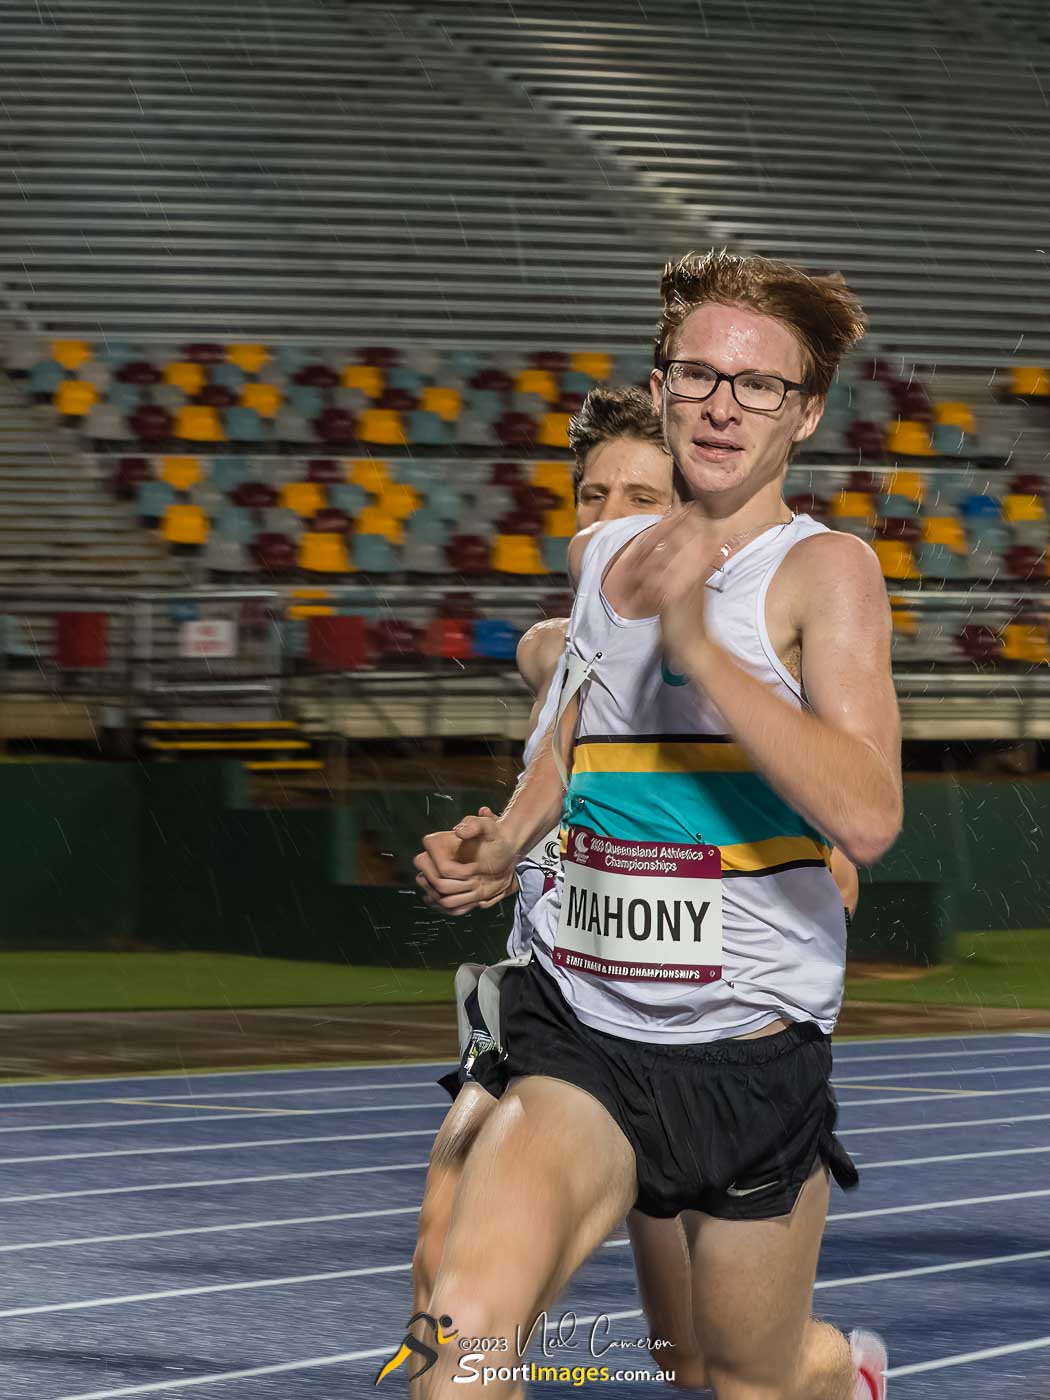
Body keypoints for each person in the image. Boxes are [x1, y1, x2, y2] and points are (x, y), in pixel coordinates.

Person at [414, 249, 901, 1400]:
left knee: (741, 1376)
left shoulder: (825, 572)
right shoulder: (605, 558)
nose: (724, 404)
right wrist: (504, 844)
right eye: (699, 375)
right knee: (458, 1354)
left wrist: (703, 651)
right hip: (586, 1034)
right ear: (664, 381)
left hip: (749, 1055)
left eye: (761, 384)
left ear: (807, 411)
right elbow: (572, 747)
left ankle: (847, 1377)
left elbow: (872, 812)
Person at [414, 386, 708, 1387]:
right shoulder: (562, 650)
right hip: (551, 1014)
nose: (610, 518)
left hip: (685, 1037)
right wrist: (483, 847)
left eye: (641, 496)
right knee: (449, 1301)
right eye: (594, 494)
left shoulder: (724, 662)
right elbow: (534, 797)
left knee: (697, 1354)